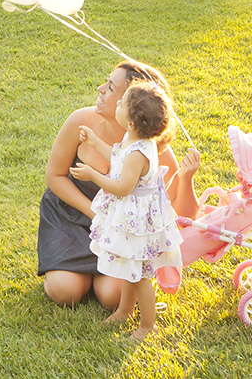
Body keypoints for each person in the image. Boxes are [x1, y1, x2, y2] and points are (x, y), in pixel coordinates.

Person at [38, 61, 199, 309]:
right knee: (65, 291)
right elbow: (55, 176)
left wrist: (186, 179)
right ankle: (75, 271)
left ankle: (99, 275)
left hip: (122, 230)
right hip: (71, 215)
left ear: (132, 106)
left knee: (114, 296)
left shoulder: (153, 152)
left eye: (111, 88)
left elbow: (183, 215)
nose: (101, 89)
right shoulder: (82, 121)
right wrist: (96, 212)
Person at [69, 81, 182, 340]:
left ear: (131, 123)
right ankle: (125, 310)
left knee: (140, 275)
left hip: (136, 220)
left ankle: (147, 325)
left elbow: (121, 187)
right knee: (130, 268)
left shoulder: (139, 152)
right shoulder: (135, 139)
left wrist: (92, 175)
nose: (117, 104)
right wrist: (96, 142)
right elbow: (118, 157)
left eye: (122, 104)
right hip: (133, 216)